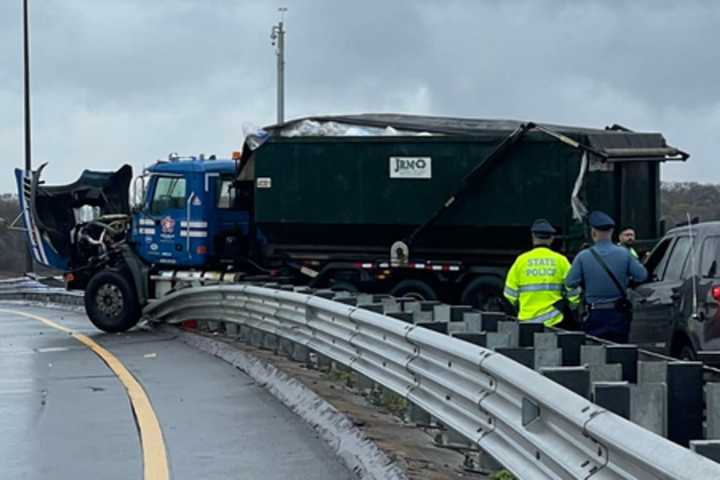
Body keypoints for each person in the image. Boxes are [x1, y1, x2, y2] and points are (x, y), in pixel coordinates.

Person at [565, 211, 647, 343]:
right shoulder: (625, 254)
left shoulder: (583, 256)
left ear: (593, 232)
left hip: (594, 315)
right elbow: (641, 276)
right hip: (618, 314)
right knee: (619, 353)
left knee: (594, 353)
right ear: (612, 232)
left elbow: (570, 282)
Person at [504, 219, 579, 327]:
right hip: (554, 322)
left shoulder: (521, 261)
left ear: (533, 236)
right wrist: (572, 306)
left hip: (526, 321)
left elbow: (509, 295)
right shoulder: (561, 261)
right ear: (552, 238)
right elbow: (573, 292)